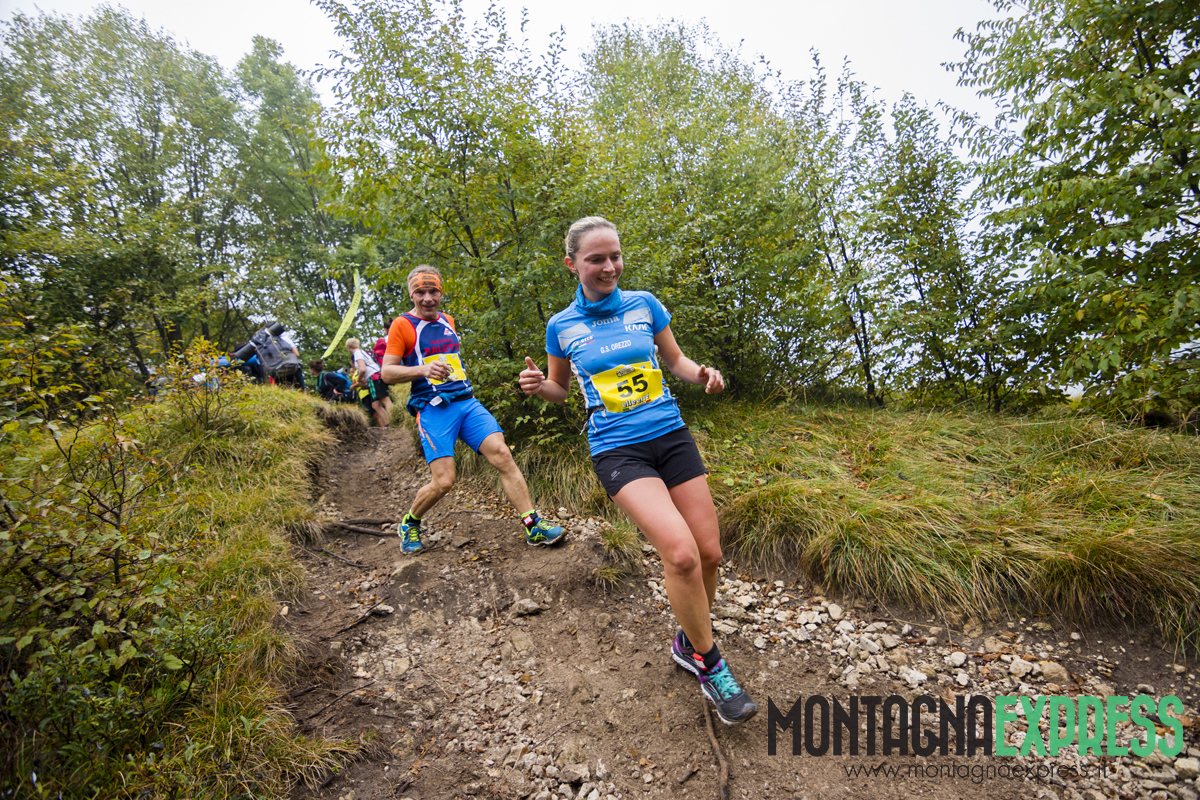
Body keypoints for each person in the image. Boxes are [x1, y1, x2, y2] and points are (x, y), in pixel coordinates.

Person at [518, 216, 757, 726]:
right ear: (572, 264)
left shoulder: (644, 304)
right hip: (618, 450)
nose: (609, 267)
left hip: (671, 436)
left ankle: (688, 641)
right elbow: (560, 389)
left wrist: (703, 374)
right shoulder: (561, 325)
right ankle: (710, 663)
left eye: (615, 256)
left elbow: (676, 361)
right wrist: (540, 387)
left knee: (709, 553)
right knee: (681, 554)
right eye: (596, 259)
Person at [381, 265, 565, 554]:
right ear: (411, 294)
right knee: (444, 482)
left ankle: (533, 525)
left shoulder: (448, 320)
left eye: (433, 291)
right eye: (421, 292)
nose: (428, 298)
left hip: (466, 402)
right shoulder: (402, 325)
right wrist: (423, 369)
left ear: (441, 292)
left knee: (503, 454)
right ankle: (410, 522)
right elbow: (387, 373)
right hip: (433, 408)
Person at [346, 337, 390, 427]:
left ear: (348, 347)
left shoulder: (357, 353)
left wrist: (359, 379)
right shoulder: (362, 352)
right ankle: (388, 425)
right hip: (373, 378)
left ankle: (397, 421)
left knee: (385, 400)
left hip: (375, 377)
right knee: (375, 404)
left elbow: (362, 369)